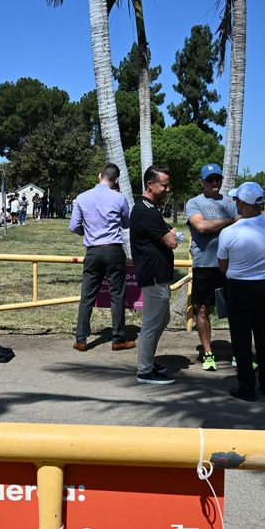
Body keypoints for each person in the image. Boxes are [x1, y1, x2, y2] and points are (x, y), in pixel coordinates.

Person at [217, 182, 265, 401]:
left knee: (241, 338)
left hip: (238, 287)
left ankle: (246, 386)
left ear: (243, 203)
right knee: (263, 335)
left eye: (237, 200)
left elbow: (222, 265)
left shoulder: (229, 232)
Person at [70, 164, 135, 352]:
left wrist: (88, 232)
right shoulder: (119, 197)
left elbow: (74, 226)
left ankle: (81, 339)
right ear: (116, 181)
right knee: (117, 295)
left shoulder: (82, 197)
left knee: (87, 296)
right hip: (114, 250)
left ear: (100, 176)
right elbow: (126, 223)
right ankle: (118, 339)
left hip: (92, 251)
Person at [184, 163, 238, 371]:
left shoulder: (231, 202)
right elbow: (201, 226)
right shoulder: (194, 203)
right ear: (202, 182)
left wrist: (231, 221)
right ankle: (207, 353)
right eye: (210, 180)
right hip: (205, 265)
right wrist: (230, 221)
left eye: (218, 179)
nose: (215, 183)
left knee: (236, 310)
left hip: (231, 266)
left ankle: (238, 353)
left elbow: (243, 225)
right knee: (204, 309)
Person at [130, 164, 177, 384]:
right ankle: (145, 371)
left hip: (158, 275)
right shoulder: (145, 210)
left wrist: (169, 233)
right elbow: (171, 241)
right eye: (164, 185)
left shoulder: (150, 208)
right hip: (154, 275)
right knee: (152, 322)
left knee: (162, 318)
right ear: (150, 184)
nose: (168, 190)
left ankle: (148, 360)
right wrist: (172, 234)